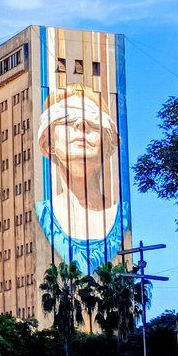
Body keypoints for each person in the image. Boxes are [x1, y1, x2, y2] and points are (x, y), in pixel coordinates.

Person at [36, 84, 129, 274]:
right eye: (67, 119)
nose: (81, 125)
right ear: (49, 142)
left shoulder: (125, 216)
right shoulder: (40, 214)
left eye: (93, 120)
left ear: (107, 143)